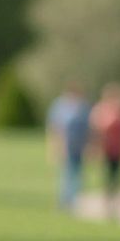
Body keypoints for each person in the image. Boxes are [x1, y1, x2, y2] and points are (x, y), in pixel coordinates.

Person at [90, 83, 120, 219]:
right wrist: (95, 149)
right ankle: (108, 204)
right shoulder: (101, 111)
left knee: (118, 178)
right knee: (108, 178)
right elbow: (96, 131)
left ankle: (116, 204)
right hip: (106, 150)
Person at [46, 84, 92, 212]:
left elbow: (88, 129)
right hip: (66, 145)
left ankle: (73, 201)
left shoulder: (83, 107)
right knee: (67, 174)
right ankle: (64, 202)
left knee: (78, 175)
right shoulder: (60, 106)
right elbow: (55, 127)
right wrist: (55, 146)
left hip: (79, 146)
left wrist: (90, 146)